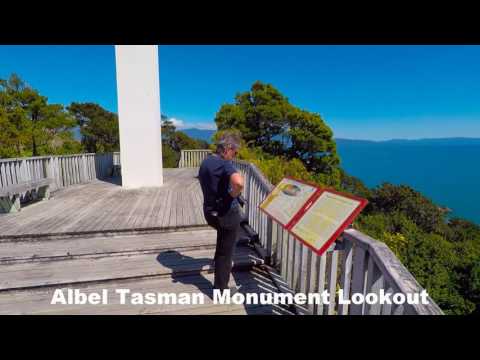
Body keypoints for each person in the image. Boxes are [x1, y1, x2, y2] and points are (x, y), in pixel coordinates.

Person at [198, 132, 244, 294]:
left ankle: (219, 266)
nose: (234, 156)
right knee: (226, 253)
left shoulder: (207, 161)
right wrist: (232, 195)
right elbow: (238, 182)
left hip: (210, 213)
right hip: (226, 216)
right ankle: (221, 290)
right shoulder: (224, 164)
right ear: (227, 149)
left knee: (222, 245)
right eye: (235, 152)